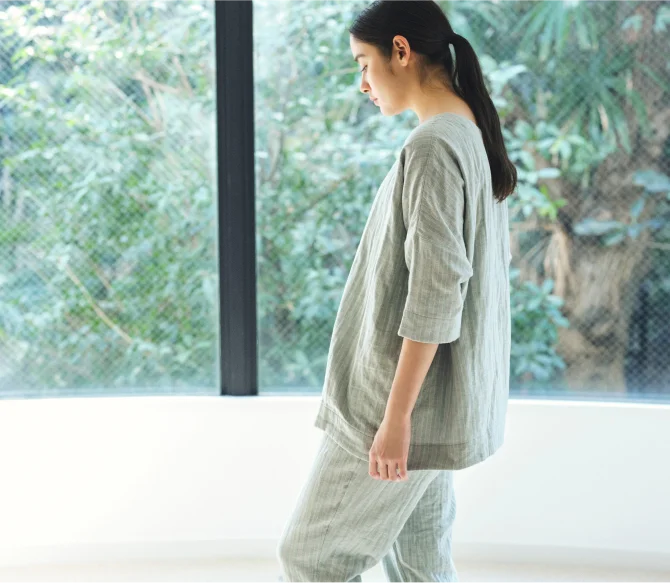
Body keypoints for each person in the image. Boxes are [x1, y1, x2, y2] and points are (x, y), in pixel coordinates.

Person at [277, 0, 517, 581]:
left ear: (401, 51)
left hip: (399, 401)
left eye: (364, 64)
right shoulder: (468, 131)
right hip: (435, 402)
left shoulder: (434, 146)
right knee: (420, 562)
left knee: (310, 557)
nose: (362, 83)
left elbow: (437, 291)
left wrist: (396, 418)